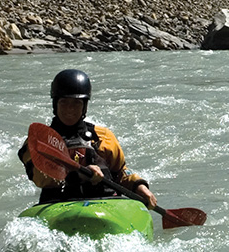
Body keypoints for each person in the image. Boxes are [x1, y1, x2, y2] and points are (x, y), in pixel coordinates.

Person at [18, 68, 156, 208]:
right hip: (58, 205)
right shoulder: (39, 141)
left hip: (106, 205)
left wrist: (139, 186)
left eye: (76, 103)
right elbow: (41, 179)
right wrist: (78, 175)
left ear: (84, 106)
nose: (70, 109)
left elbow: (120, 173)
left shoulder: (103, 137)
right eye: (64, 102)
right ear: (55, 104)